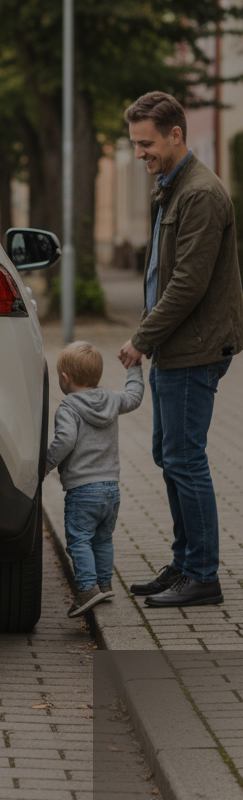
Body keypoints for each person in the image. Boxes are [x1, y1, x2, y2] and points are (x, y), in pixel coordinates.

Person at [118, 91, 243, 607]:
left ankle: (202, 576)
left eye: (147, 144)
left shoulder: (200, 193)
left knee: (185, 459)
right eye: (135, 144)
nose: (140, 153)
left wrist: (141, 339)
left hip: (192, 347)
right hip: (176, 344)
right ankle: (185, 564)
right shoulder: (172, 186)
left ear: (176, 134)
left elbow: (188, 284)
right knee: (168, 455)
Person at [46, 341, 143, 617]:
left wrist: (47, 463)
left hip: (82, 489)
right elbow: (134, 396)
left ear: (65, 379)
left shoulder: (68, 407)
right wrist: (134, 367)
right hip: (111, 488)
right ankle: (103, 583)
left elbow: (65, 439)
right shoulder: (112, 399)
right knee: (102, 538)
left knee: (79, 539)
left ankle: (87, 589)